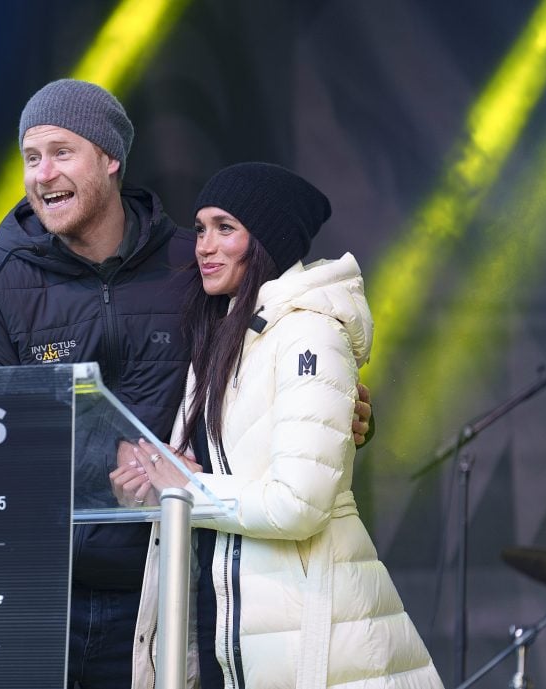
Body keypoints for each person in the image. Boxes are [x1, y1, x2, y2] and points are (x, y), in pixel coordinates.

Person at [0, 81, 372, 688]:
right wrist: (109, 456)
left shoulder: (192, 266)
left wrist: (340, 408)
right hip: (36, 592)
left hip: (169, 589)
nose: (43, 174)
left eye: (62, 153)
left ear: (111, 157)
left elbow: (264, 370)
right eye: (31, 158)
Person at [120, 163, 442, 689]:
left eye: (226, 227)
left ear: (266, 240)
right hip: (245, 634)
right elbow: (198, 471)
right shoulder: (228, 336)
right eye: (200, 228)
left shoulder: (309, 334)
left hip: (323, 640)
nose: (204, 244)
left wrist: (184, 489)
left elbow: (299, 503)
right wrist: (142, 481)